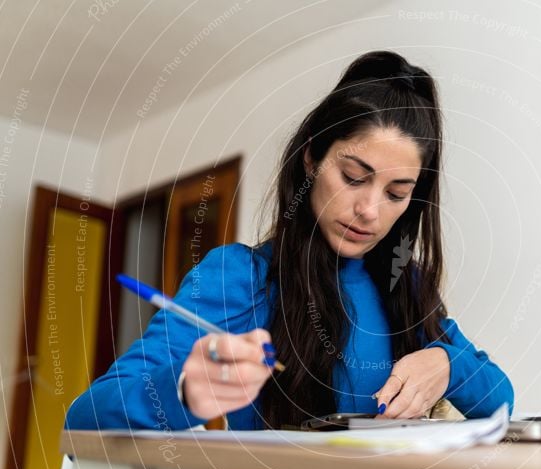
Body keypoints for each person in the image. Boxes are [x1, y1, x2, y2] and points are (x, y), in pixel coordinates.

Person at [65, 50, 514, 431]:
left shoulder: (407, 287)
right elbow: (85, 416)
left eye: (396, 193)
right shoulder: (238, 277)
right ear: (311, 159)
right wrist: (184, 390)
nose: (371, 211)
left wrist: (449, 366)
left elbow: (501, 400)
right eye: (354, 177)